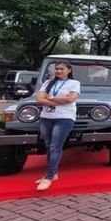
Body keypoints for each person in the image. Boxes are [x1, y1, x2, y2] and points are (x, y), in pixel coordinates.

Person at [35, 61, 81, 191]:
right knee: (49, 146)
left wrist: (50, 98)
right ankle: (53, 173)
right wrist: (57, 100)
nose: (59, 71)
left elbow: (70, 99)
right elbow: (39, 100)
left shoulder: (74, 83)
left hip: (64, 118)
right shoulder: (48, 83)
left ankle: (48, 177)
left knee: (55, 147)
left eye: (62, 69)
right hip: (46, 117)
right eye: (57, 69)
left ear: (69, 70)